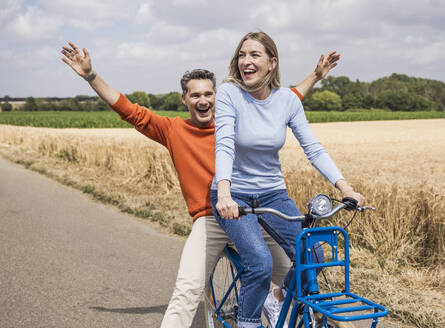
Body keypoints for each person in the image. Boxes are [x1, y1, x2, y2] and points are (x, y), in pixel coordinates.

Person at [60, 41, 340, 328]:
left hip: (251, 214)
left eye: (208, 94)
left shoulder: (237, 120)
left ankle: (274, 298)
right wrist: (91, 76)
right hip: (210, 219)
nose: (203, 100)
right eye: (195, 95)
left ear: (217, 96)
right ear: (185, 99)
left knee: (304, 270)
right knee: (187, 292)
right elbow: (129, 110)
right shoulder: (173, 129)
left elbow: (286, 99)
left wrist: (316, 75)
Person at [211, 31, 364, 328]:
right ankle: (247, 321)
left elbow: (313, 149)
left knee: (315, 254)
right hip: (234, 194)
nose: (246, 61)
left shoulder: (287, 100)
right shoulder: (230, 94)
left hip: (272, 194)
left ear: (271, 63)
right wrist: (225, 193)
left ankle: (277, 297)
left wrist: (345, 187)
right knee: (260, 262)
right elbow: (224, 143)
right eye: (242, 55)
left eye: (254, 55)